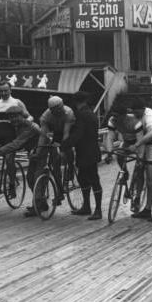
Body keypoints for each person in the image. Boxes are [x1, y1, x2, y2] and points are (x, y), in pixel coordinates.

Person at [23, 95, 75, 218]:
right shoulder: (46, 116)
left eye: (60, 109)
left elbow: (66, 134)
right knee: (48, 159)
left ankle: (70, 172)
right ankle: (40, 201)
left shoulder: (68, 113)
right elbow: (43, 135)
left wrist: (63, 148)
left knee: (61, 157)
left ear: (62, 106)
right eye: (55, 110)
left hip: (68, 133)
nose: (58, 112)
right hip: (54, 133)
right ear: (51, 110)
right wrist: (40, 150)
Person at [62, 91, 103, 220]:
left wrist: (65, 144)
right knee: (85, 178)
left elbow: (78, 133)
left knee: (90, 179)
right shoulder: (91, 114)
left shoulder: (81, 115)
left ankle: (96, 210)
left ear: (76, 102)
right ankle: (89, 207)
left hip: (85, 152)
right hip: (92, 150)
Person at [0, 80, 31, 194]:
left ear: (10, 90)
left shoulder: (17, 102)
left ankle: (12, 183)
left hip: (11, 132)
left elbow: (29, 116)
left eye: (6, 90)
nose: (3, 93)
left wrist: (24, 123)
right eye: (1, 91)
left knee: (9, 159)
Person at [129, 98, 152, 222]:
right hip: (149, 150)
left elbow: (151, 134)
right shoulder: (145, 112)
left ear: (141, 110)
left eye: (136, 112)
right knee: (150, 182)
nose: (135, 115)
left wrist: (137, 144)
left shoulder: (149, 117)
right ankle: (148, 209)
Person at [0, 105, 41, 203]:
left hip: (42, 151)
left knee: (34, 178)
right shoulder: (15, 126)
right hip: (32, 152)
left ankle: (43, 201)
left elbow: (16, 143)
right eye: (11, 117)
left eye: (15, 116)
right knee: (31, 178)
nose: (13, 119)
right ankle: (40, 202)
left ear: (22, 116)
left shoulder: (29, 127)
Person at [105, 102, 144, 212]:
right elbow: (110, 137)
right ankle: (125, 173)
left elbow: (141, 140)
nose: (115, 119)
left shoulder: (135, 121)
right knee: (120, 156)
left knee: (140, 169)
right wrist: (109, 152)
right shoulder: (113, 120)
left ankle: (137, 198)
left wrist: (139, 156)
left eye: (117, 117)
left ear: (124, 115)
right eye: (114, 116)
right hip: (127, 141)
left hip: (139, 142)